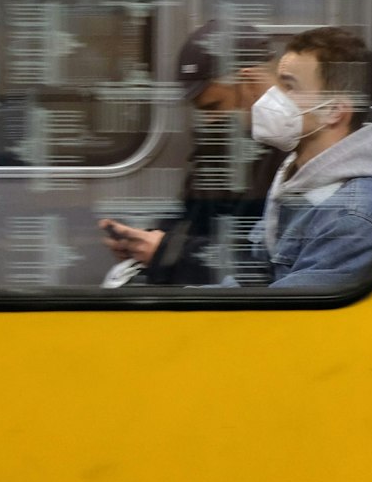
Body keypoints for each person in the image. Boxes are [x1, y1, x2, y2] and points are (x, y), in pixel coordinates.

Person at [98, 22, 283, 285]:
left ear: (249, 83)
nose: (208, 120)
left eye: (214, 106)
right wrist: (147, 243)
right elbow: (191, 217)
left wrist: (167, 253)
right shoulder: (219, 148)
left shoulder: (290, 154)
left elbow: (262, 261)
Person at [239, 26, 372, 289]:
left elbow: (282, 315)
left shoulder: (352, 218)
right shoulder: (299, 178)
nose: (271, 98)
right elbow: (252, 283)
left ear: (333, 111)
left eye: (289, 87)